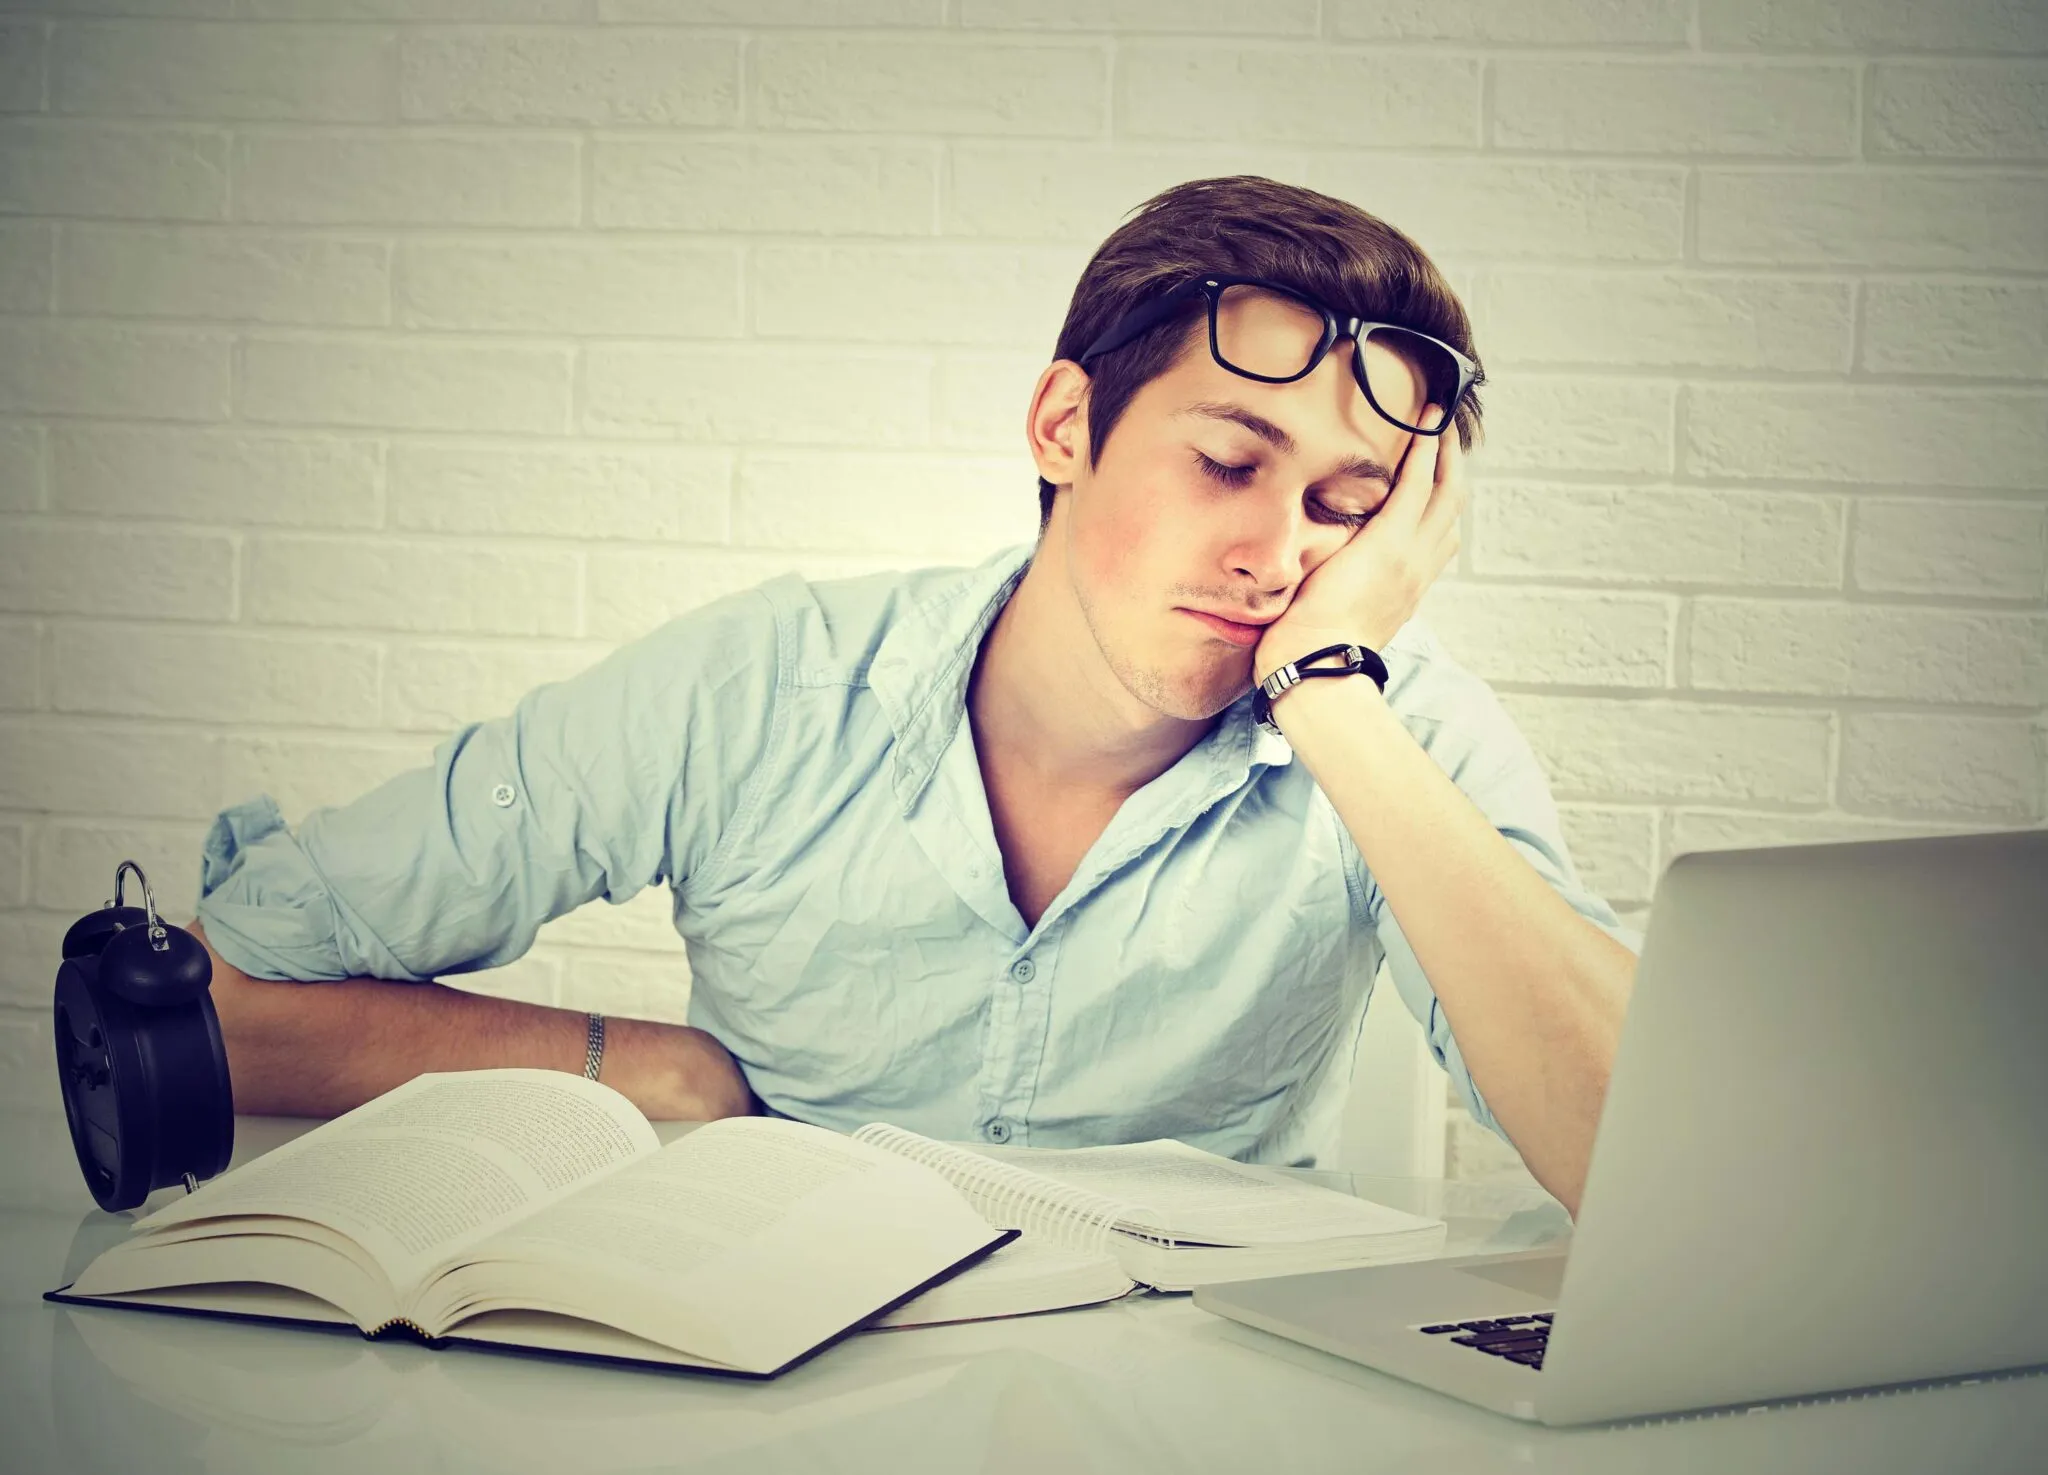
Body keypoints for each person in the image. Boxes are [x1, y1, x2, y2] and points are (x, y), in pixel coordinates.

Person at [190, 175, 1640, 1216]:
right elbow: (226, 995)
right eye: (1227, 462)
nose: (1279, 555)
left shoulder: (1395, 719)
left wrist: (1331, 699)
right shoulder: (760, 689)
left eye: (1347, 505)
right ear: (1065, 426)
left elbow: (1641, 1170)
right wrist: (644, 1071)